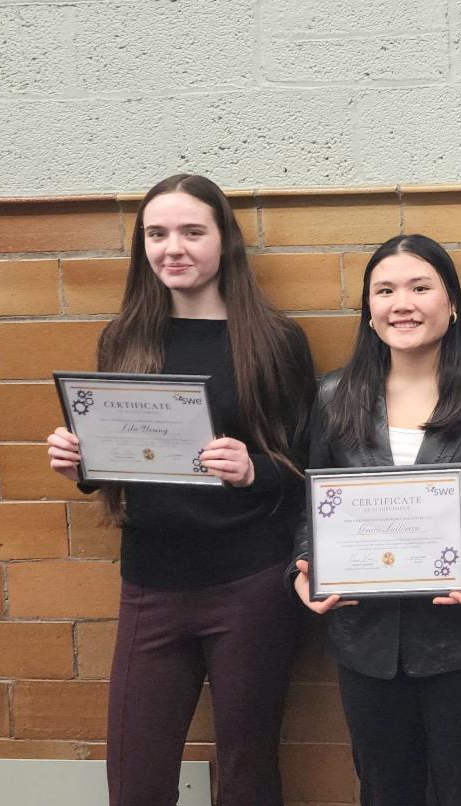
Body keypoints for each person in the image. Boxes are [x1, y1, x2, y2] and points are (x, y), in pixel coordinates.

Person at [45, 174, 316, 806]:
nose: (173, 248)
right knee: (135, 780)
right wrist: (81, 463)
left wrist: (254, 469)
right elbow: (120, 456)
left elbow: (310, 467)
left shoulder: (274, 340)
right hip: (151, 583)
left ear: (225, 240)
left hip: (250, 584)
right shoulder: (123, 338)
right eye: (157, 234)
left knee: (248, 773)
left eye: (193, 232)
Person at [290, 234, 461, 806]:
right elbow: (311, 502)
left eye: (420, 288)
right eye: (385, 291)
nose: (402, 304)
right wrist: (306, 563)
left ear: (452, 304)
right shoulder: (333, 396)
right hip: (364, 638)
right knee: (383, 791)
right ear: (368, 311)